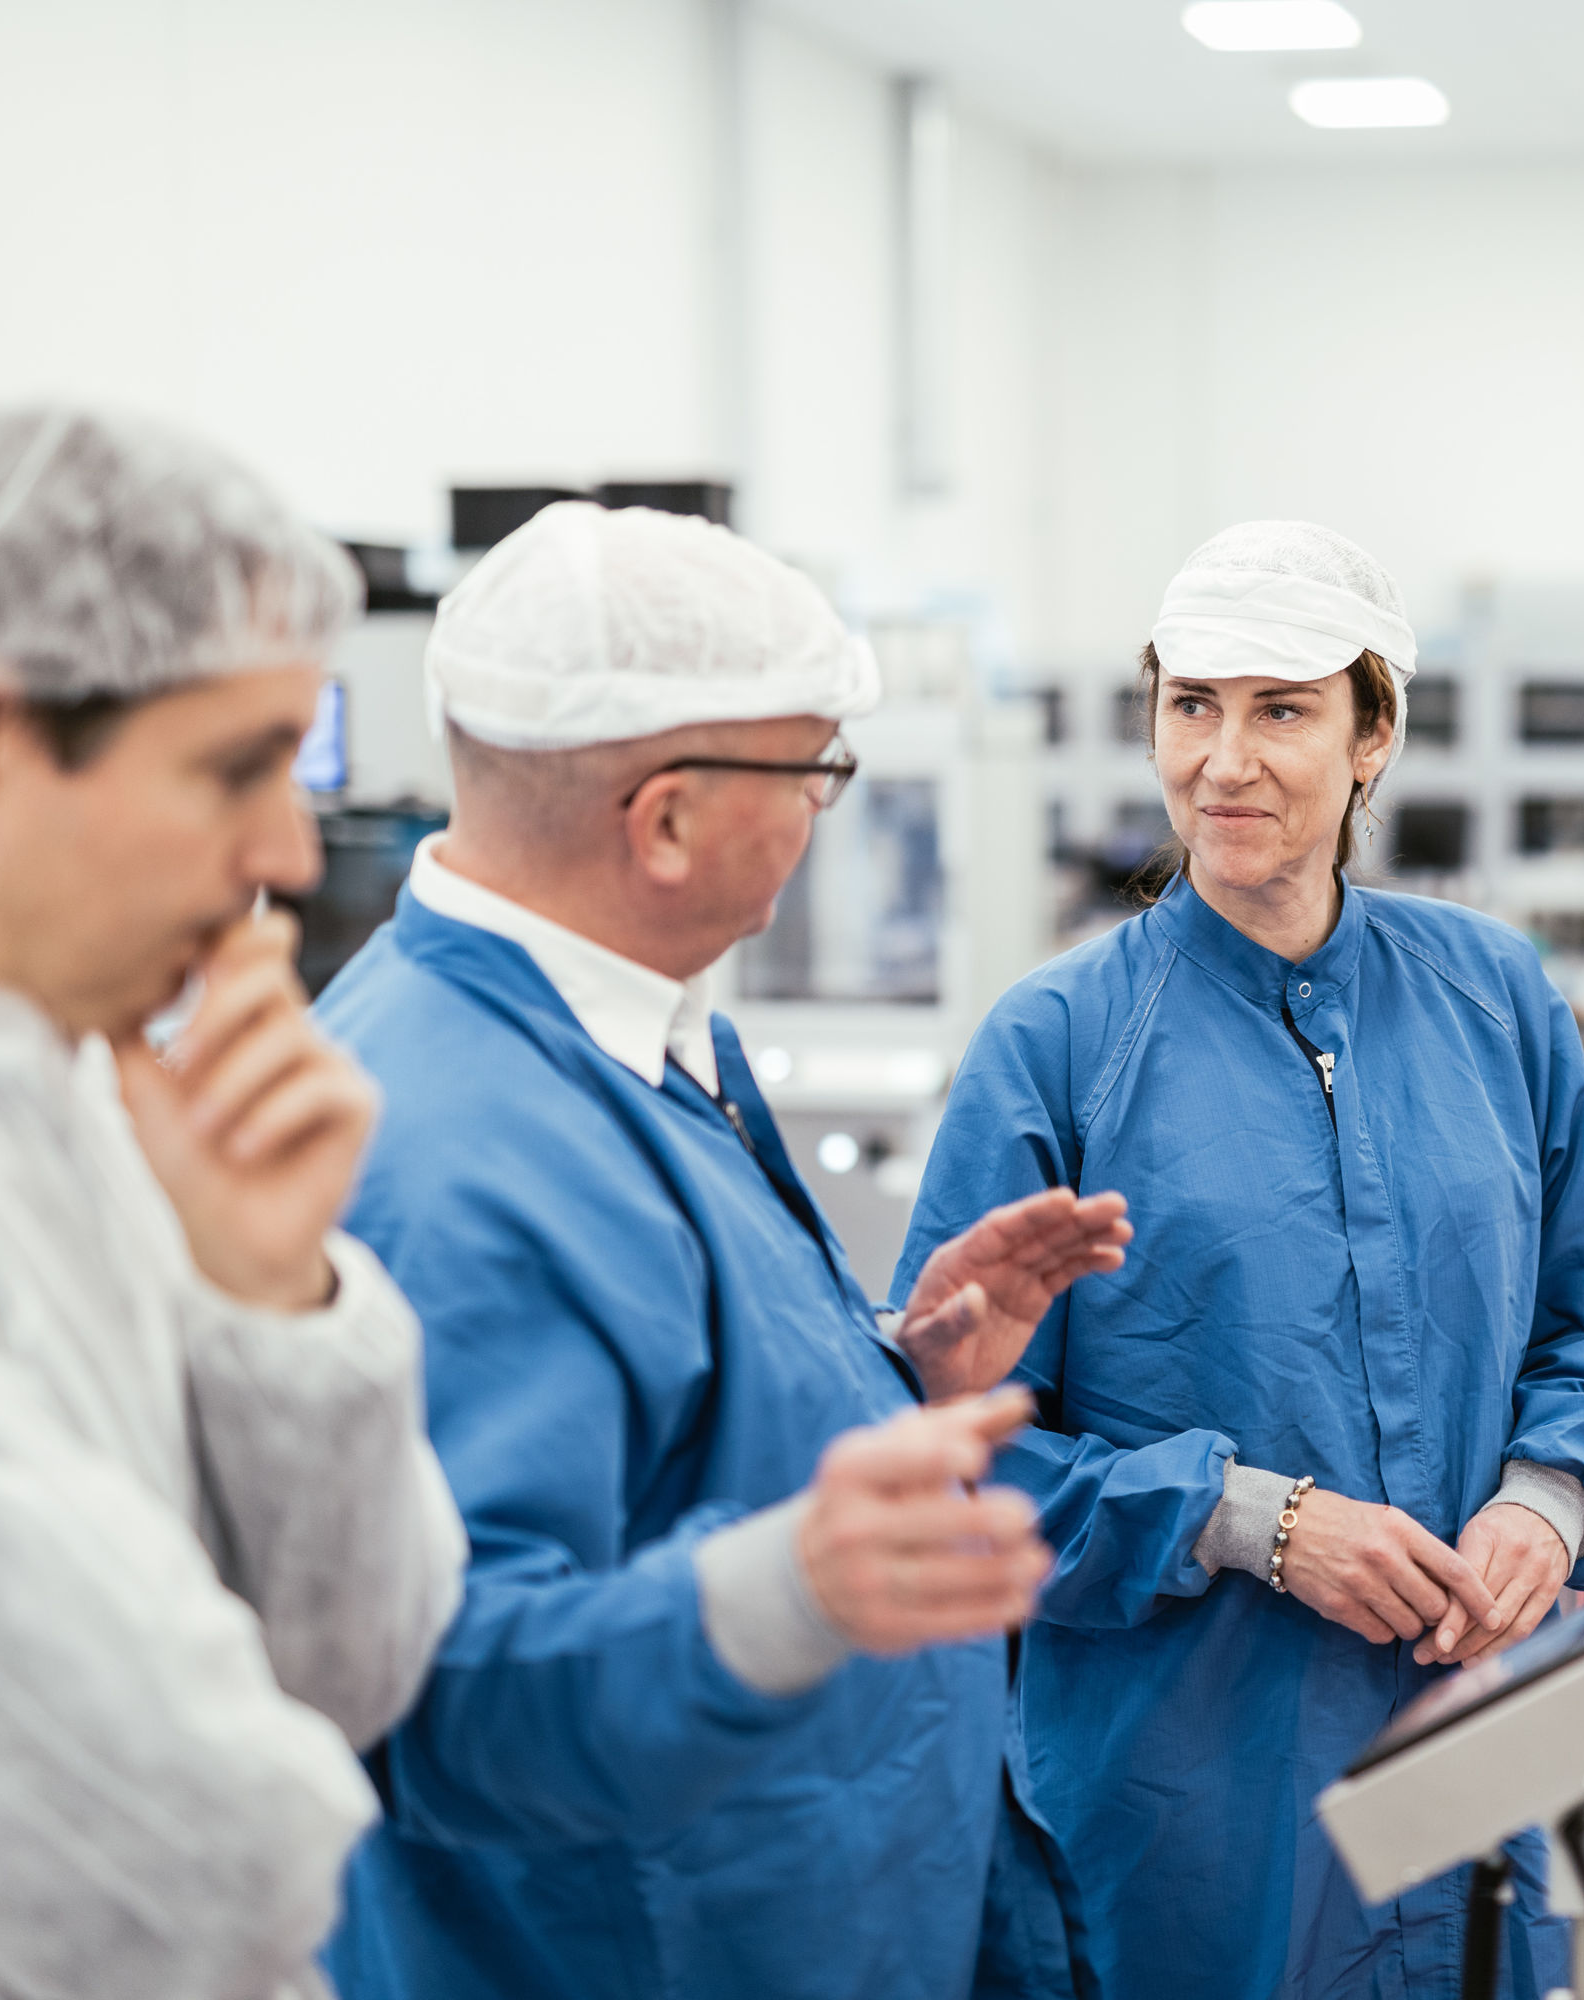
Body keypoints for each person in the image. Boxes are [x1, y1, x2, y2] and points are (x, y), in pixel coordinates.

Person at [312, 500, 1132, 2000]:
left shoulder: (638, 1032)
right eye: (816, 768)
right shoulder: (449, 1155)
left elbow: (671, 1429)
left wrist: (894, 1374)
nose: (830, 809)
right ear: (669, 818)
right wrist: (792, 1588)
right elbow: (438, 1695)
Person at [889, 521, 1584, 1999]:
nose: (1223, 762)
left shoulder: (1490, 998)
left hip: (1481, 1743)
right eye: (1192, 706)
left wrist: (1549, 1500)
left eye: (1282, 709)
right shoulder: (1054, 1048)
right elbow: (952, 1447)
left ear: (1375, 737)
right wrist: (1252, 1522)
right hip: (1191, 1805)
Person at [0, 403, 467, 2000]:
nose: (289, 854)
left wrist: (275, 1303)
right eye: (238, 768)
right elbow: (197, 1857)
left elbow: (352, 1672)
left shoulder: (67, 1086)